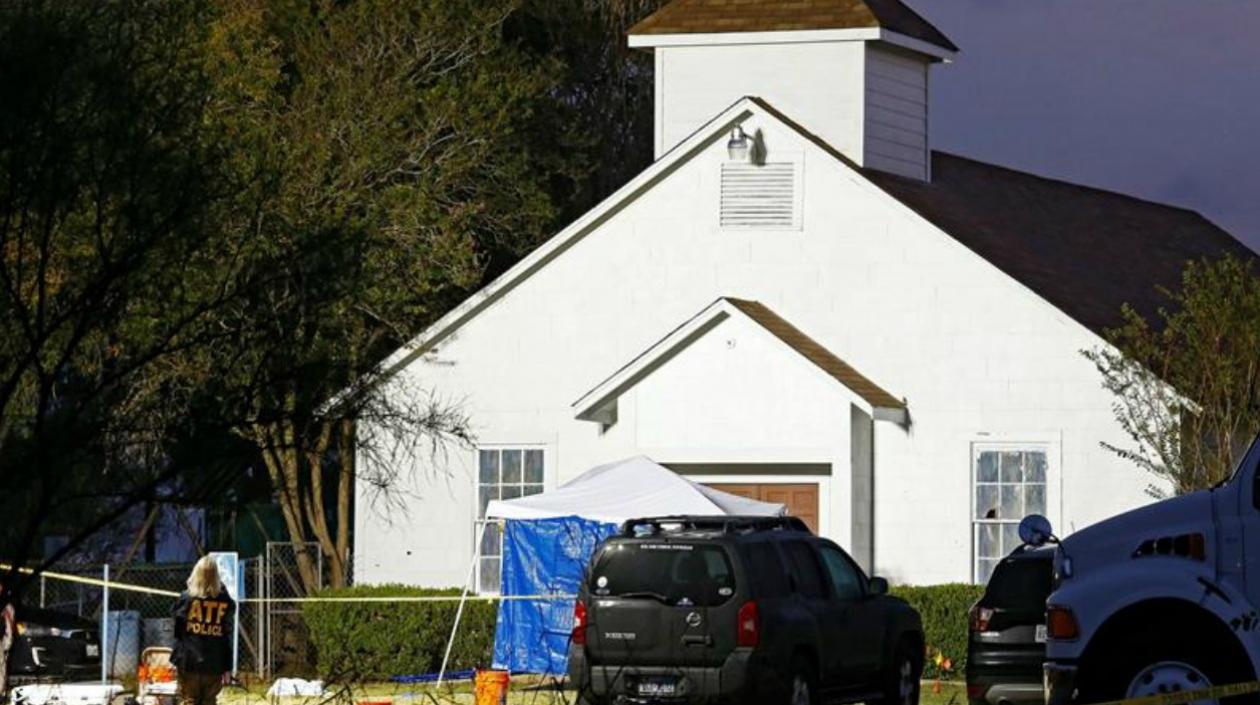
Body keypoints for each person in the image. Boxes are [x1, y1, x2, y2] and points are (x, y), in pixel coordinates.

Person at [172, 557, 234, 705]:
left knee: (189, 700)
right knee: (209, 701)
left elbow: (178, 630)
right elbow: (226, 635)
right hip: (214, 662)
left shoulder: (187, 599)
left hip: (189, 661)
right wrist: (227, 667)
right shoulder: (224, 601)